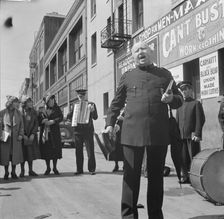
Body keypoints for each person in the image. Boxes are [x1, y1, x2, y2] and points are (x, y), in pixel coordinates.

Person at [104, 41, 183, 219]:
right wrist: (110, 123)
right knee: (130, 177)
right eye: (136, 51)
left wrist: (171, 99)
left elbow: (179, 100)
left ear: (151, 52)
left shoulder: (164, 74)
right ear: (132, 57)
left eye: (143, 49)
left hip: (158, 133)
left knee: (156, 178)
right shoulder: (127, 76)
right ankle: (129, 216)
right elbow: (116, 103)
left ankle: (155, 215)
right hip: (132, 134)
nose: (140, 52)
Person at [176, 81, 205, 184]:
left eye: (186, 89)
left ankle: (195, 179)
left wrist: (197, 134)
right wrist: (177, 134)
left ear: (191, 90)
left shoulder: (196, 103)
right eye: (182, 90)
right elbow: (177, 121)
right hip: (182, 136)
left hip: (192, 136)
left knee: (194, 157)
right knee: (183, 158)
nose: (184, 92)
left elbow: (200, 119)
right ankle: (185, 176)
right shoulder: (180, 105)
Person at [67, 89, 98, 175]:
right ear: (77, 96)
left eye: (83, 96)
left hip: (88, 131)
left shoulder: (91, 104)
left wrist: (93, 111)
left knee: (90, 151)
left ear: (85, 96)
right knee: (78, 151)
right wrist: (70, 117)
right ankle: (79, 169)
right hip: (78, 131)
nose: (81, 98)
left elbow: (95, 117)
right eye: (79, 96)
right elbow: (69, 116)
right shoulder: (74, 105)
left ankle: (92, 169)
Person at [38, 94, 63, 175]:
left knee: (55, 150)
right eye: (50, 100)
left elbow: (61, 117)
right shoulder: (41, 109)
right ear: (47, 102)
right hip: (45, 134)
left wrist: (53, 121)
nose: (52, 102)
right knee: (46, 151)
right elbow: (38, 120)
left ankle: (55, 168)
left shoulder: (57, 108)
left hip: (54, 133)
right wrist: (42, 121)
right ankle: (48, 168)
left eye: (53, 100)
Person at [0, 96, 24, 179]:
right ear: (11, 103)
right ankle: (6, 173)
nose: (17, 104)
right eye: (16, 102)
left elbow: (21, 125)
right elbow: (0, 126)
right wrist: (1, 135)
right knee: (6, 156)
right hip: (5, 137)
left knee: (15, 156)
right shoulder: (2, 112)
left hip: (16, 138)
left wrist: (21, 134)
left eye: (17, 102)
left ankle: (13, 172)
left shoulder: (19, 113)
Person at [20, 95, 40, 177]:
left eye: (31, 102)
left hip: (31, 136)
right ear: (24, 103)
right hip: (22, 137)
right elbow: (18, 125)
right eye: (29, 102)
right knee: (23, 154)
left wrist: (33, 134)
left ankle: (30, 170)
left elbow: (36, 124)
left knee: (30, 154)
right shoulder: (19, 112)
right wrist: (23, 135)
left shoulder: (34, 112)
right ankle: (22, 171)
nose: (31, 103)